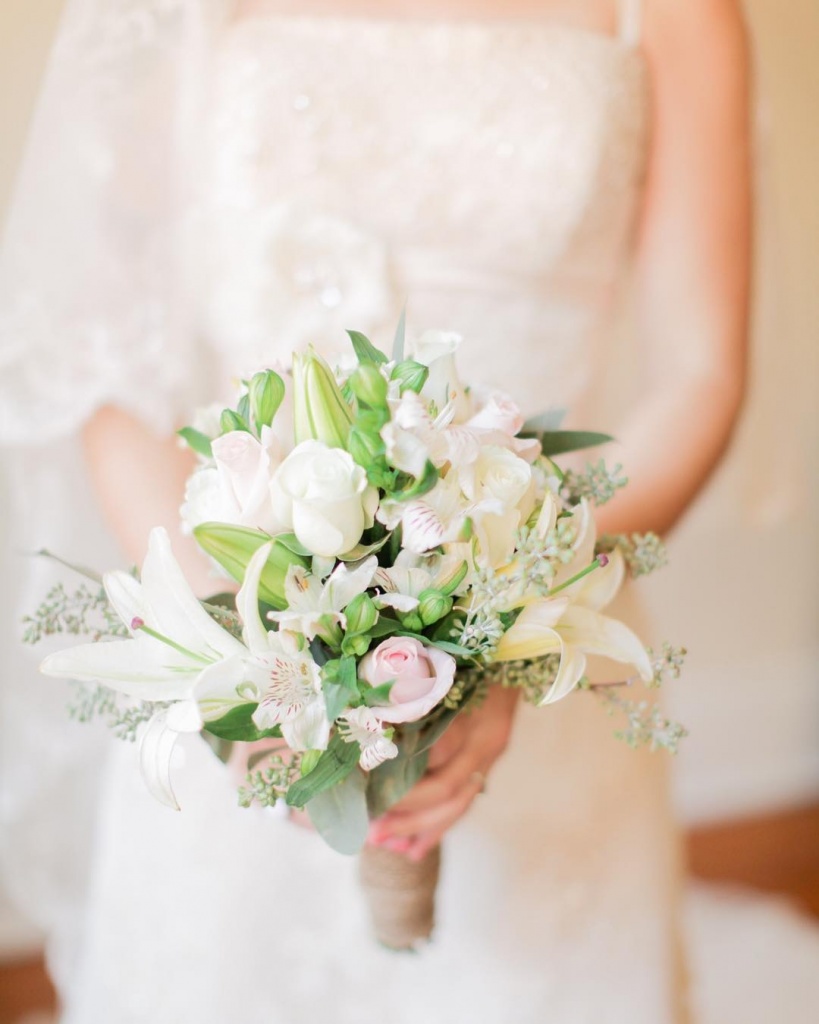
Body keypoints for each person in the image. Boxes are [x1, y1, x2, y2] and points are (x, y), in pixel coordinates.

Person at [0, 0, 751, 1020]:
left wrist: (512, 633)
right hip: (240, 631)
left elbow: (699, 372)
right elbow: (101, 359)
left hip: (548, 619)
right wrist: (237, 649)